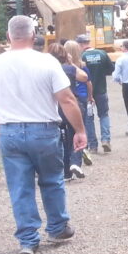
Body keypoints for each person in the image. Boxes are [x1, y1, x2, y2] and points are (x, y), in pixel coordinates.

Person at [0, 15, 87, 254]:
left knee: (19, 186)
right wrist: (79, 130)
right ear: (33, 35)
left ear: (8, 36)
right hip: (43, 130)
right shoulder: (47, 62)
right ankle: (57, 227)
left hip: (10, 131)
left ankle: (28, 239)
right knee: (51, 180)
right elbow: (66, 99)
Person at [48, 43, 89, 181]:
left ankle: (66, 172)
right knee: (77, 133)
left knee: (62, 140)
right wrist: (72, 63)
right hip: (71, 105)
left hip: (54, 107)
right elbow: (84, 77)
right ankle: (75, 163)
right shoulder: (68, 68)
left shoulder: (46, 69)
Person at [77, 33, 113, 153]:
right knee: (104, 115)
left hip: (87, 94)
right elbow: (110, 69)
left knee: (88, 119)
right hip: (101, 91)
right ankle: (106, 140)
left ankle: (93, 146)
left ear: (81, 44)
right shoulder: (102, 53)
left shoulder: (81, 57)